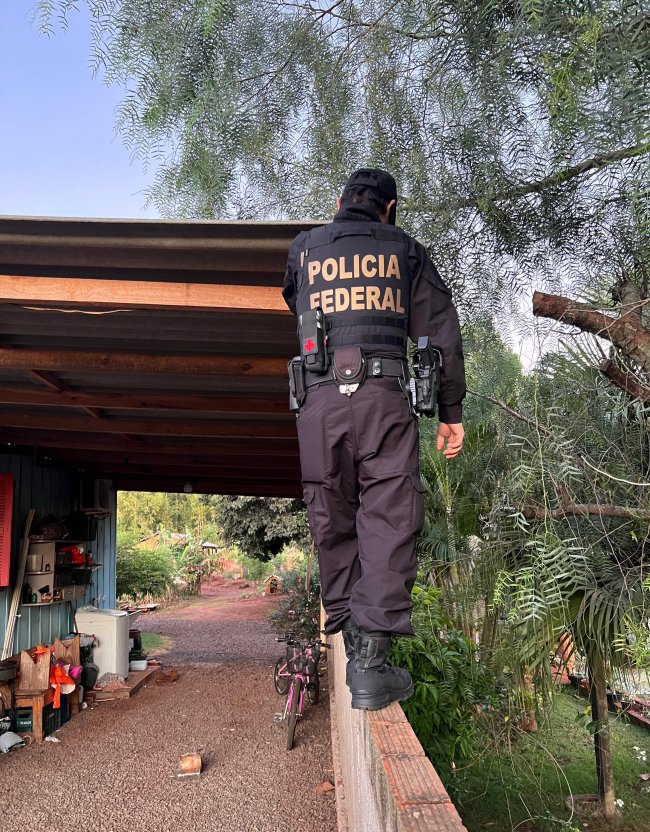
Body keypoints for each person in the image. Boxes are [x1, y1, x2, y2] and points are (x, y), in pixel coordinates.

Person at [282, 168, 465, 710]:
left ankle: (351, 634)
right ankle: (371, 667)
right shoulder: (405, 250)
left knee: (330, 511)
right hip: (383, 397)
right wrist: (449, 410)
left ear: (340, 202)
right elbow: (439, 330)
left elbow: (294, 300)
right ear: (388, 210)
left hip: (316, 401)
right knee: (388, 515)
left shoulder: (304, 249)